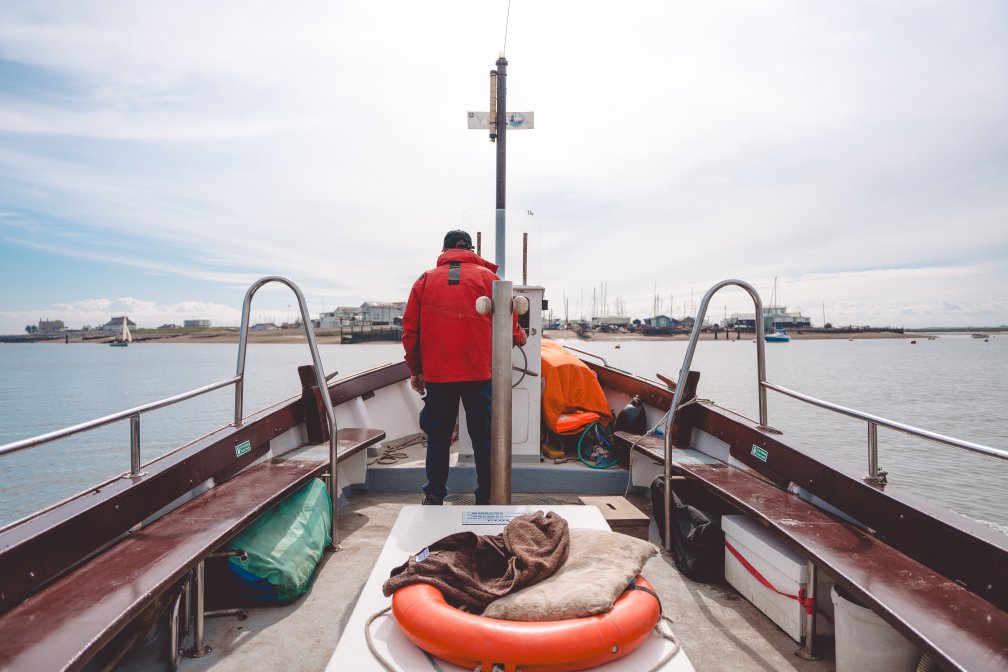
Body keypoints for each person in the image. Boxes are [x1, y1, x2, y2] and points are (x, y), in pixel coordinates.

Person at [402, 230, 527, 505]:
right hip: (479, 372)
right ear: (471, 249)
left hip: (438, 373)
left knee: (439, 437)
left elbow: (411, 331)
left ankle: (434, 494)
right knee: (484, 437)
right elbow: (511, 325)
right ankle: (485, 496)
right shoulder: (490, 279)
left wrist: (416, 370)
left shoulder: (424, 281)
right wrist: (520, 336)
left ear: (444, 250)